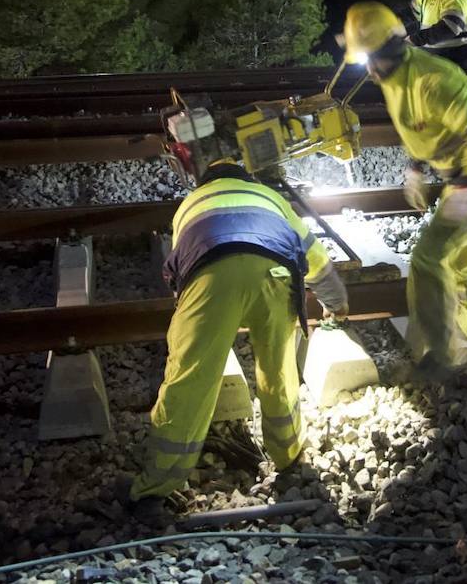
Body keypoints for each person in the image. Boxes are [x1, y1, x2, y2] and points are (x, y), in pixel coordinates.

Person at [124, 159, 349, 516]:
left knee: (189, 381)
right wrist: (335, 304)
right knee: (278, 373)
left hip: (213, 278)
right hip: (275, 274)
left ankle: (155, 488)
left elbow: (178, 268)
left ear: (206, 181)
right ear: (247, 178)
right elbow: (317, 260)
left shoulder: (191, 204)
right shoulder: (270, 198)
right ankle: (289, 460)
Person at [341, 1, 467, 381]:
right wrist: (414, 168)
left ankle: (439, 359)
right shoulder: (395, 78)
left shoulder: (433, 80)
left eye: (370, 59)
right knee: (458, 264)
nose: (368, 70)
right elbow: (418, 126)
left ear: (387, 53)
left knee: (427, 258)